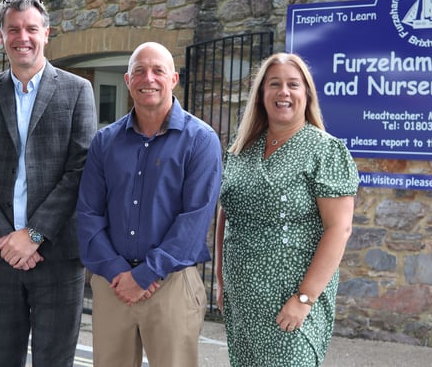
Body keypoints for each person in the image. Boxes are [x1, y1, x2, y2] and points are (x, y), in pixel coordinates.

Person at [0, 0, 97, 367]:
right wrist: (6, 237)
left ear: (46, 33)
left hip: (58, 257)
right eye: (14, 29)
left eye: (31, 29)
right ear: (1, 36)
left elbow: (79, 170)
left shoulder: (76, 90)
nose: (24, 37)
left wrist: (33, 235)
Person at [76, 41, 223, 367]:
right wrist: (118, 272)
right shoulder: (105, 142)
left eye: (158, 70)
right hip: (113, 285)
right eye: (139, 71)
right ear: (128, 81)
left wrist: (145, 275)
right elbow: (88, 214)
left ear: (173, 79)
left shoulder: (201, 140)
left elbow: (194, 221)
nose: (149, 78)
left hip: (171, 284)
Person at [214, 52, 359, 366]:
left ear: (306, 93)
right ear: (261, 94)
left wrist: (304, 299)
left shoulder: (325, 150)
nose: (284, 92)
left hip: (290, 304)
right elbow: (227, 214)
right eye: (274, 84)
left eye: (293, 84)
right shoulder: (240, 149)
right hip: (242, 300)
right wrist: (221, 281)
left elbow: (339, 229)